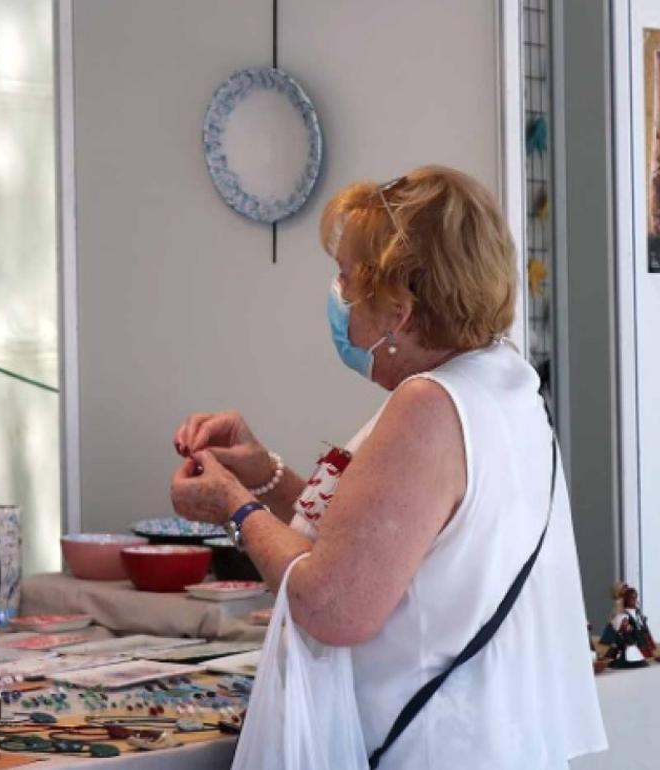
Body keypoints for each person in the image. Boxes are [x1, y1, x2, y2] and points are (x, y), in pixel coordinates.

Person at [169, 166, 605, 768]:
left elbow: (333, 602)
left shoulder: (429, 405)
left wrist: (234, 508)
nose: (337, 294)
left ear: (398, 307)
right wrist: (263, 476)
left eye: (346, 278)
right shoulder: (500, 384)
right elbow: (379, 542)